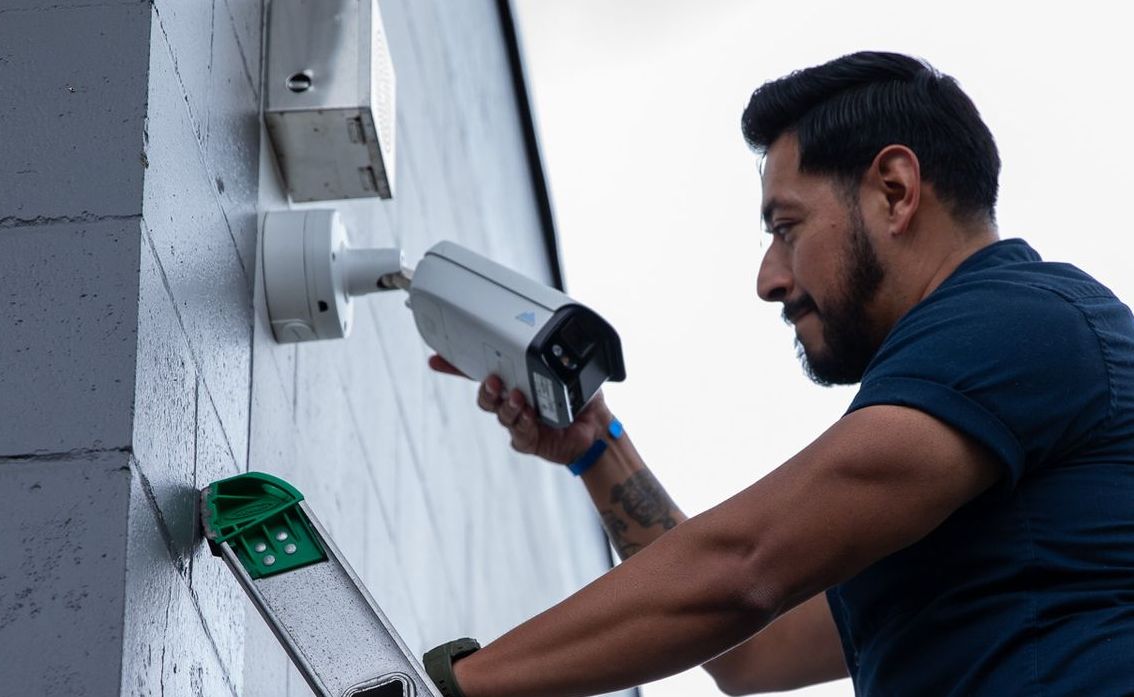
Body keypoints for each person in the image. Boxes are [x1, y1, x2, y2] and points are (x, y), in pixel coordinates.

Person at [422, 51, 1134, 697]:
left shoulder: (1020, 321)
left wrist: (458, 687)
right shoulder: (959, 487)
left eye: (786, 227)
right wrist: (595, 444)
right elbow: (753, 652)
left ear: (894, 190)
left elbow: (744, 567)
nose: (769, 278)